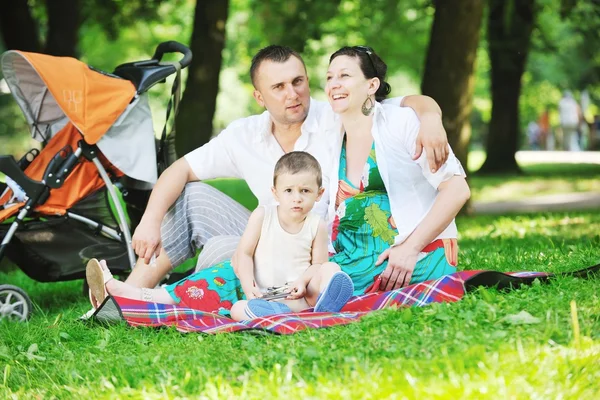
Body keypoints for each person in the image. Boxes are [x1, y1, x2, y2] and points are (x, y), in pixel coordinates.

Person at [120, 45, 451, 290]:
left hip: (315, 250)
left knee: (221, 252)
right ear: (259, 97)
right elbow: (179, 169)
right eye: (278, 87)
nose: (292, 94)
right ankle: (130, 294)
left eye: (298, 82)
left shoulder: (336, 115)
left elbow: (398, 103)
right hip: (269, 235)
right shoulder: (244, 135)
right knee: (193, 197)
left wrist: (432, 117)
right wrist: (149, 221)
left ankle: (161, 299)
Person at [86, 152, 355, 320]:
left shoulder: (316, 225)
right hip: (250, 284)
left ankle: (299, 308)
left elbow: (316, 264)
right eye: (289, 191)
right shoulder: (263, 215)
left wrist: (303, 280)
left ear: (318, 194)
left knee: (330, 268)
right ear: (275, 192)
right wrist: (249, 284)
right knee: (195, 289)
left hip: (289, 292)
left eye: (305, 192)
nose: (297, 199)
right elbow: (245, 253)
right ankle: (127, 292)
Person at [323, 46, 470, 294]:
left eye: (344, 76)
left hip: (409, 254)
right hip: (350, 253)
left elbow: (457, 190)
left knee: (315, 284)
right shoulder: (331, 133)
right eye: (329, 77)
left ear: (372, 86)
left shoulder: (401, 122)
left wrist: (410, 248)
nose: (334, 84)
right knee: (284, 273)